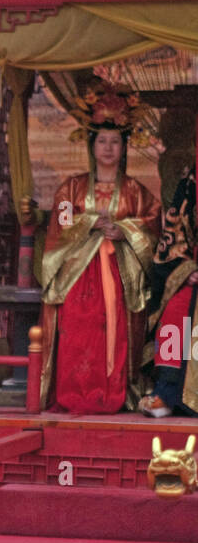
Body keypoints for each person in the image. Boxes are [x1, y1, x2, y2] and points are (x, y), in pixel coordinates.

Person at [39, 83, 161, 414]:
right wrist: (89, 223)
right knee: (79, 331)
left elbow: (152, 225)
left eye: (115, 142)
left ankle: (113, 393)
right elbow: (62, 220)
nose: (108, 148)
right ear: (93, 146)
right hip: (80, 275)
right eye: (103, 141)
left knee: (114, 332)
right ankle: (73, 394)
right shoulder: (72, 187)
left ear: (124, 147)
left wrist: (123, 230)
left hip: (120, 276)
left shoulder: (136, 191)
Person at [139, 159, 198, 417]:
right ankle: (167, 391)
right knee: (176, 308)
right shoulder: (191, 185)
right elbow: (174, 237)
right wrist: (187, 269)